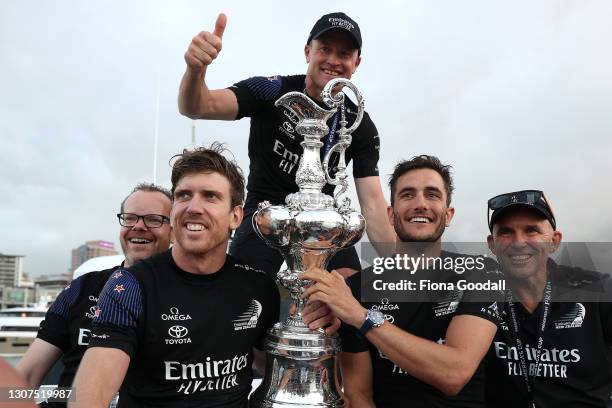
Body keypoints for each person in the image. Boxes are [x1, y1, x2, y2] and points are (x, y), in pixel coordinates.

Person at [70, 144, 337, 408]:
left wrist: (312, 330)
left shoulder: (257, 286)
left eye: (210, 196)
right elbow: (91, 396)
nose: (193, 207)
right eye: (184, 195)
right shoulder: (129, 285)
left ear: (235, 216)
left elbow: (271, 366)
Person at [178, 12, 394, 277]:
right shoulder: (272, 90)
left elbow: (372, 203)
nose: (333, 61)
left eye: (344, 54)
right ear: (307, 51)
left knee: (349, 290)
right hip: (265, 215)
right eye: (325, 49)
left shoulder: (358, 122)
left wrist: (402, 267)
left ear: (356, 63)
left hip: (322, 219)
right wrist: (195, 70)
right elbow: (198, 105)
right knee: (247, 288)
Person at [302, 155, 502, 407]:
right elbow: (358, 394)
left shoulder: (481, 273)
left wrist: (361, 316)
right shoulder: (356, 289)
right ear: (390, 213)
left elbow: (454, 374)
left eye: (432, 195)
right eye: (407, 195)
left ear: (448, 214)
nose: (420, 204)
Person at [16, 183, 173, 407]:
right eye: (130, 218)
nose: (138, 226)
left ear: (174, 231)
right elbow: (26, 378)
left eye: (153, 219)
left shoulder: (186, 294)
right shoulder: (81, 288)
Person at [484, 190, 612, 408]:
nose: (519, 242)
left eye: (531, 230)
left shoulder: (598, 290)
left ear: (554, 241)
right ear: (492, 244)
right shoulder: (481, 296)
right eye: (506, 232)